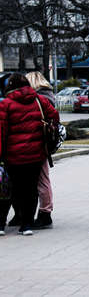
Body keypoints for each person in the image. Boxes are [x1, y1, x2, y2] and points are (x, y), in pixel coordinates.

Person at [0, 73, 59, 236]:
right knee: (31, 189)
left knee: (12, 189)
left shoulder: (6, 104)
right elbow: (54, 117)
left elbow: (1, 132)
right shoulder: (40, 100)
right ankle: (27, 225)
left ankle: (9, 220)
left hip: (13, 156)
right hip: (36, 154)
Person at [25, 71, 56, 229]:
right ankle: (45, 212)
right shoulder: (49, 96)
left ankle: (45, 213)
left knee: (42, 180)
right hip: (44, 143)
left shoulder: (39, 99)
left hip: (37, 143)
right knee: (43, 178)